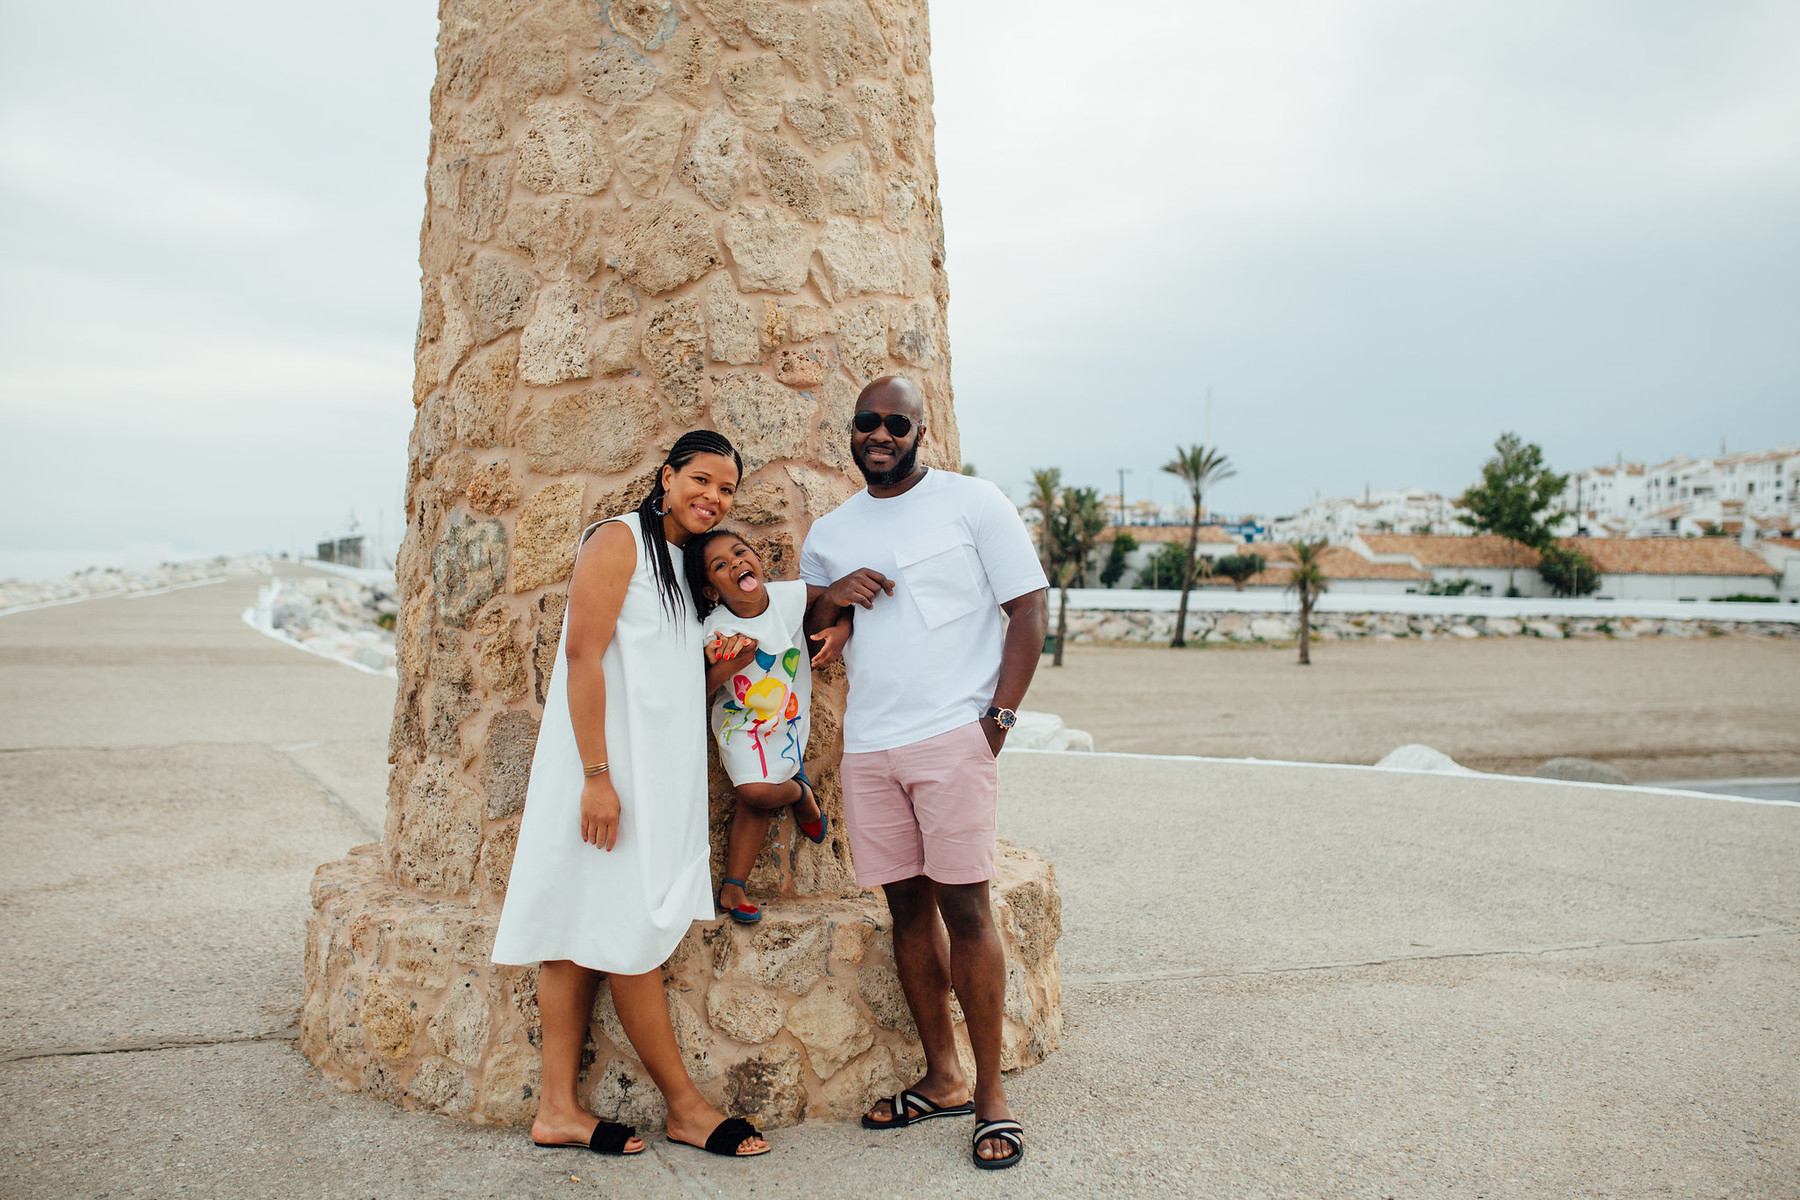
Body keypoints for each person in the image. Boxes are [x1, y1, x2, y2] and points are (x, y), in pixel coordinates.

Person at [491, 431, 770, 1161]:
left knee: (581, 932)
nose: (714, 497)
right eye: (701, 480)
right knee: (626, 934)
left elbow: (661, 685)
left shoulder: (683, 565)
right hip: (605, 777)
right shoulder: (618, 541)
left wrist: (720, 670)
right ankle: (686, 1107)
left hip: (651, 779)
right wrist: (594, 777)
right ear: (668, 476)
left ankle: (558, 1109)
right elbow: (582, 655)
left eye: (727, 489)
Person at [799, 376, 1049, 1171]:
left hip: (954, 738)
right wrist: (827, 596)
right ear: (853, 432)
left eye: (895, 423)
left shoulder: (975, 504)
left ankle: (991, 1099)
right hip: (872, 746)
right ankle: (941, 1077)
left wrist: (996, 722)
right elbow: (815, 634)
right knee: (905, 911)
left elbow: (1030, 612)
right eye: (867, 423)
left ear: (921, 428)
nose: (880, 434)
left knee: (967, 911)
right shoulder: (832, 533)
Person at [682, 530, 851, 923]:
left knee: (754, 798)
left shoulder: (789, 596)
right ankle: (798, 793)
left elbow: (834, 599)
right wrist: (730, 663)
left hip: (785, 715)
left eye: (740, 553)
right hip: (741, 723)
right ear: (711, 591)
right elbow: (700, 687)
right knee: (756, 790)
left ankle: (732, 886)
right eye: (720, 566)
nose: (736, 563)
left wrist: (840, 631)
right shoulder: (717, 629)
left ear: (756, 559)